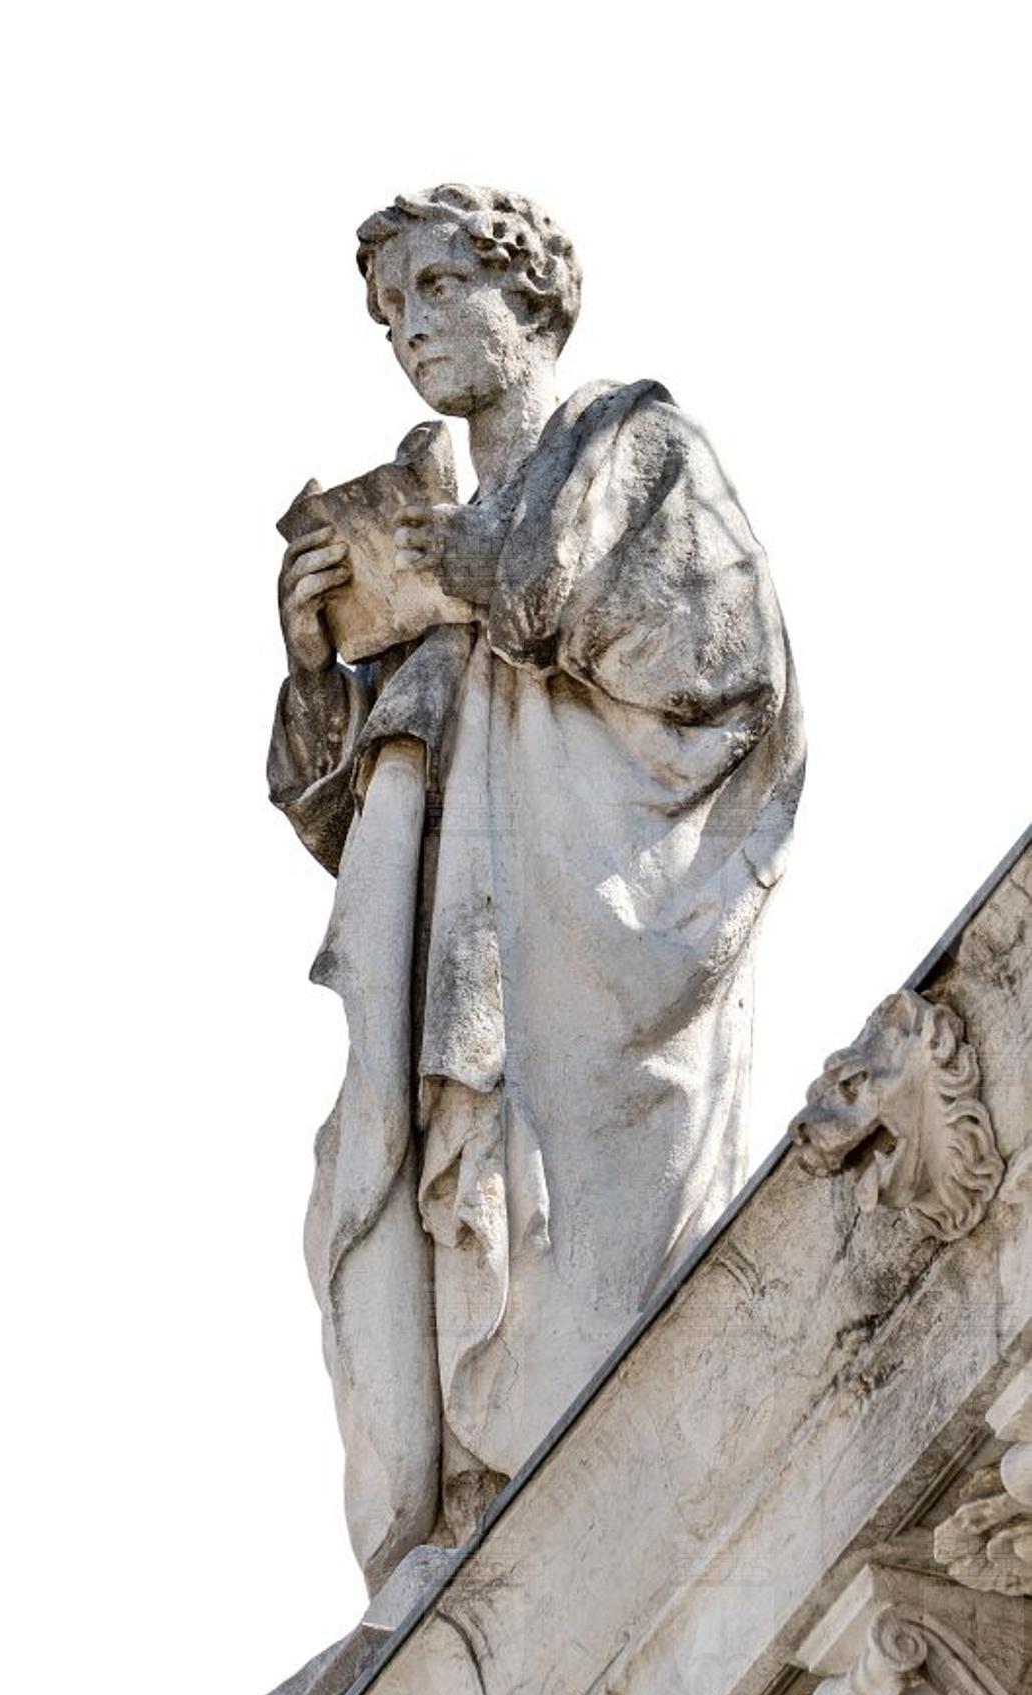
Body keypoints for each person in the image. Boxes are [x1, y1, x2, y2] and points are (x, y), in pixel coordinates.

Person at [269, 185, 805, 1593]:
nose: (413, 328)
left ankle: (580, 1502)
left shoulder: (636, 452)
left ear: (536, 297)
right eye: (392, 310)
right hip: (461, 964)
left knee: (583, 1267)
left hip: (592, 952)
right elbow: (365, 822)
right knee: (443, 1211)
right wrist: (324, 663)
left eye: (441, 287)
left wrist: (506, 578)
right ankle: (464, 1508)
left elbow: (726, 674)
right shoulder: (428, 529)